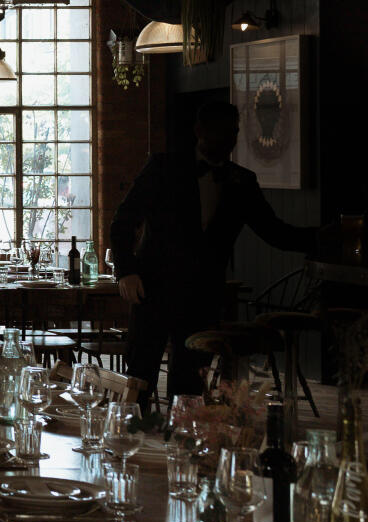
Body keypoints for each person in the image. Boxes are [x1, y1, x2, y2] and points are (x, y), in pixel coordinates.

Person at [109, 99, 316, 399]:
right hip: (152, 289)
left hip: (202, 297)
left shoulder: (242, 181)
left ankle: (184, 443)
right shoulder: (163, 168)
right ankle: (130, 440)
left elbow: (275, 232)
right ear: (199, 131)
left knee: (190, 388)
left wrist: (323, 239)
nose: (228, 140)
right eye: (220, 132)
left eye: (233, 132)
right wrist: (126, 271)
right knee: (139, 380)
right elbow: (122, 222)